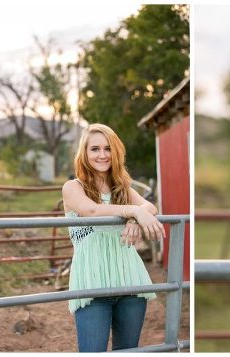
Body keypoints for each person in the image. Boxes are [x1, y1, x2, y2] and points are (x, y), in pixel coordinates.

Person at [62, 123, 166, 352]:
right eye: (95, 149)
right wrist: (133, 211)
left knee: (127, 351)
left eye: (108, 148)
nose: (102, 155)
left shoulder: (122, 188)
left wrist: (133, 220)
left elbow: (150, 207)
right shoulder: (73, 187)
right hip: (91, 284)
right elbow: (91, 210)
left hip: (130, 280)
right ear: (84, 153)